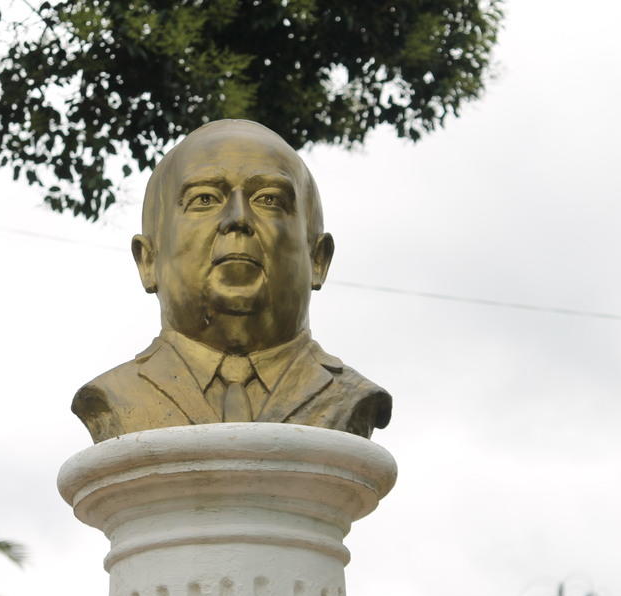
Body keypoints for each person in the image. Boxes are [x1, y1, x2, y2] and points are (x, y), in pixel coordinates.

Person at [71, 119, 391, 441]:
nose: (237, 218)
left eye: (269, 200)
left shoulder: (352, 396)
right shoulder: (113, 396)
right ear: (148, 260)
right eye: (205, 199)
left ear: (318, 258)